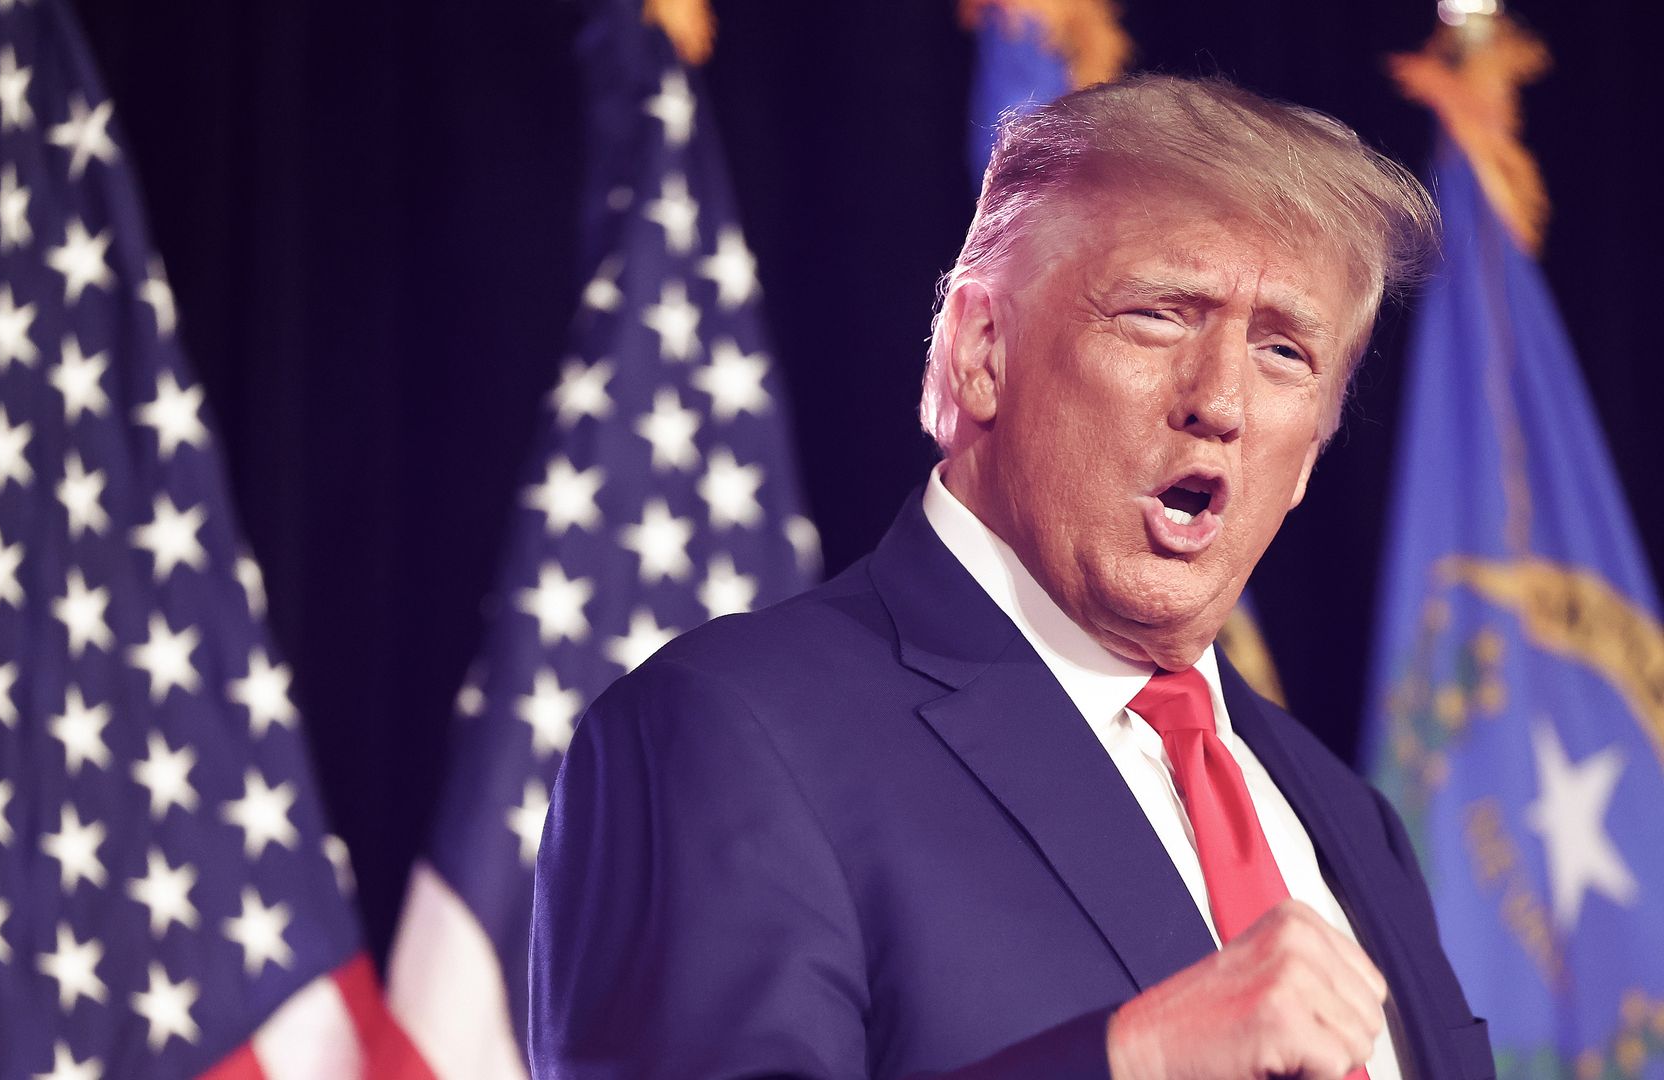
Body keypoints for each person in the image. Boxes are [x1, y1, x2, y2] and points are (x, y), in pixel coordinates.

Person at [530, 75, 1492, 1080]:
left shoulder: (1349, 819)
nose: (1220, 401)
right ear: (982, 351)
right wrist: (1138, 1061)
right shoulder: (729, 732)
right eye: (1160, 314)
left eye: (1284, 350)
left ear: (1311, 455)